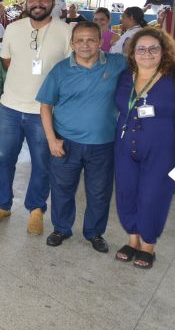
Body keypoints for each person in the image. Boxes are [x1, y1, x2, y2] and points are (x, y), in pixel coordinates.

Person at [0, 0, 72, 235]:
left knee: (41, 162)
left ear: (53, 2)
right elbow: (7, 62)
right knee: (4, 158)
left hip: (44, 112)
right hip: (10, 107)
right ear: (26, 1)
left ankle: (36, 209)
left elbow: (69, 69)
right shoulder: (13, 29)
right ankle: (2, 204)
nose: (38, 3)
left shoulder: (65, 32)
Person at [37, 22, 127, 252]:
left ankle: (94, 233)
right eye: (80, 40)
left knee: (99, 193)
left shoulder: (117, 64)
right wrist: (51, 139)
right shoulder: (60, 70)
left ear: (100, 41)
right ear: (72, 44)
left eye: (90, 40)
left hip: (103, 144)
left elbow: (151, 63)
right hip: (66, 142)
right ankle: (61, 229)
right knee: (62, 189)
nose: (85, 45)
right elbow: (45, 105)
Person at [114, 28, 175, 269]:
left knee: (154, 196)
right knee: (126, 193)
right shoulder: (124, 76)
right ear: (132, 53)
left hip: (162, 149)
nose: (147, 53)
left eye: (153, 48)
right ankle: (132, 240)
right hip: (124, 145)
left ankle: (148, 244)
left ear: (164, 51)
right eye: (141, 49)